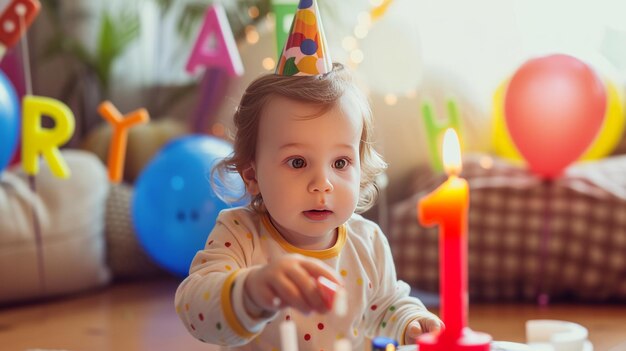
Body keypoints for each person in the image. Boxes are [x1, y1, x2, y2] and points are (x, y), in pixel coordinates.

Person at [174, 63, 442, 350]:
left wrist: (409, 321)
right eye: (298, 162)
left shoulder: (368, 240)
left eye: (340, 163)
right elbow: (195, 308)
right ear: (252, 175)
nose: (322, 183)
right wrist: (250, 291)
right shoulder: (240, 233)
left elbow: (386, 305)